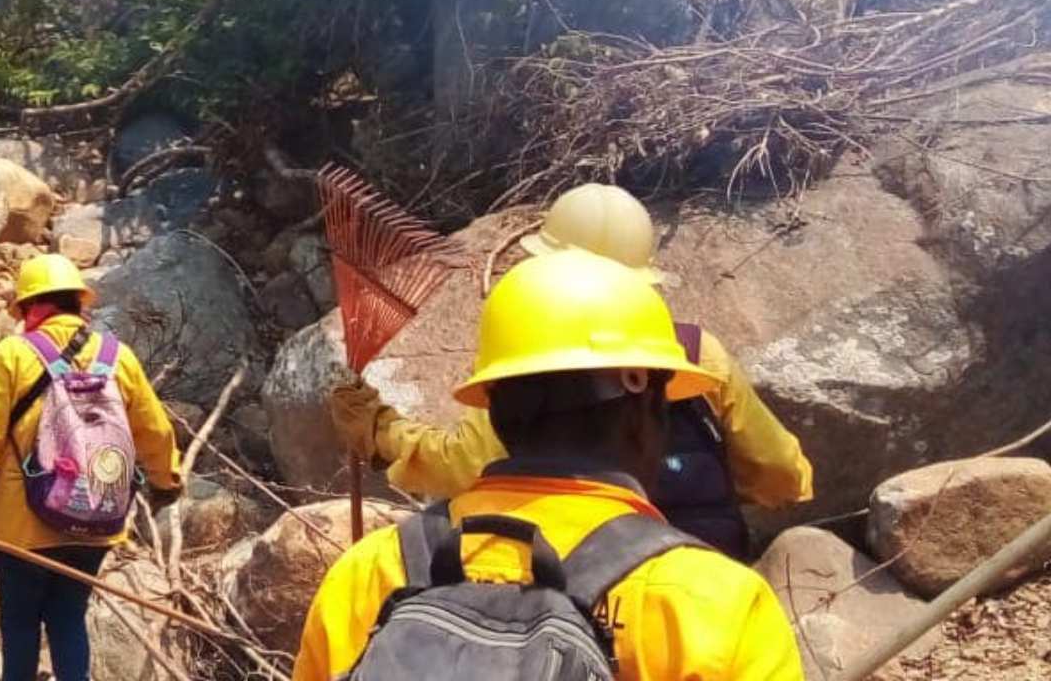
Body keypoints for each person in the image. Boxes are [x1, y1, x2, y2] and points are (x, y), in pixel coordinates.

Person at [295, 250, 806, 681]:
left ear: (493, 412)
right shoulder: (713, 606)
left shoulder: (370, 573)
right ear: (649, 413)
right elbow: (784, 475)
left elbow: (449, 462)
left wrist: (380, 433)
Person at [330, 183, 812, 558]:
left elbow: (464, 465)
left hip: (573, 583)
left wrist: (382, 433)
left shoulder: (531, 356)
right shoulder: (694, 352)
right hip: (704, 576)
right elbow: (780, 472)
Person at [0, 254, 183, 681]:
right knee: (68, 617)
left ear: (32, 307)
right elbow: (155, 430)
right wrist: (166, 482)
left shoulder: (13, 354)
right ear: (78, 303)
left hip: (22, 526)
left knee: (20, 624)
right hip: (97, 517)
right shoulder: (117, 356)